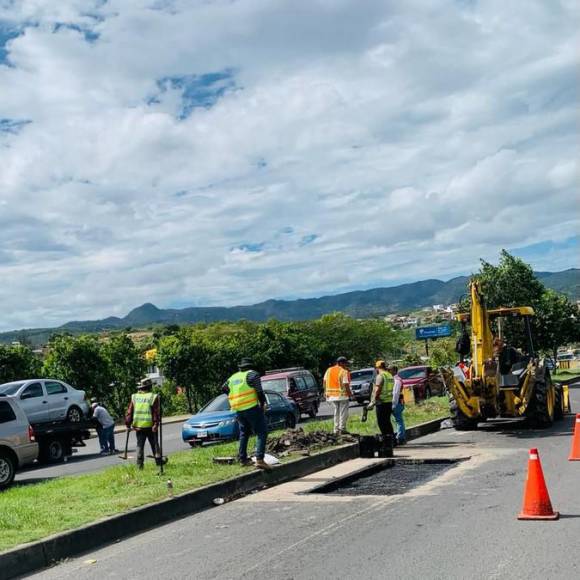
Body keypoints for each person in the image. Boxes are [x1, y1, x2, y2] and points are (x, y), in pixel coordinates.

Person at [223, 358, 271, 470]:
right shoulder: (253, 375)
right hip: (251, 408)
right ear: (250, 366)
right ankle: (260, 459)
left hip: (238, 409)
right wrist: (263, 404)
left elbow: (223, 388)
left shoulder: (233, 377)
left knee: (244, 433)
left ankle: (243, 459)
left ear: (241, 367)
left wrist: (233, 397)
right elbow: (259, 391)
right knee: (262, 432)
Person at [125, 378, 161, 470]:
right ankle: (159, 462)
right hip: (151, 426)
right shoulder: (153, 396)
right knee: (155, 445)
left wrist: (128, 424)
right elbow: (156, 412)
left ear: (140, 387)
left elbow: (130, 411)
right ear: (149, 387)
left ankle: (139, 466)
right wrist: (156, 424)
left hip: (139, 427)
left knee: (140, 446)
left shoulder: (134, 397)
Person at [367, 360, 395, 442]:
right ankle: (392, 439)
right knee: (387, 421)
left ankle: (386, 440)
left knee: (381, 422)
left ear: (377, 368)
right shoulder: (389, 375)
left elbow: (378, 389)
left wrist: (373, 401)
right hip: (389, 401)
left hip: (381, 402)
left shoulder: (380, 376)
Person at [323, 356, 352, 435]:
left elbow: (324, 381)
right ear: (340, 363)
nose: (346, 365)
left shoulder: (329, 370)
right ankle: (342, 428)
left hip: (331, 396)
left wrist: (325, 392)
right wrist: (350, 394)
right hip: (342, 395)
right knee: (343, 412)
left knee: (336, 412)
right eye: (345, 363)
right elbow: (346, 383)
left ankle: (336, 430)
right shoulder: (343, 371)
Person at [389, 365, 406, 445]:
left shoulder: (397, 380)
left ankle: (400, 437)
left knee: (399, 420)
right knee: (397, 420)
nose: (389, 371)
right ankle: (400, 436)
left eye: (390, 370)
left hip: (397, 402)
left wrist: (393, 404)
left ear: (395, 371)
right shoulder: (393, 379)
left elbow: (395, 393)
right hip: (398, 402)